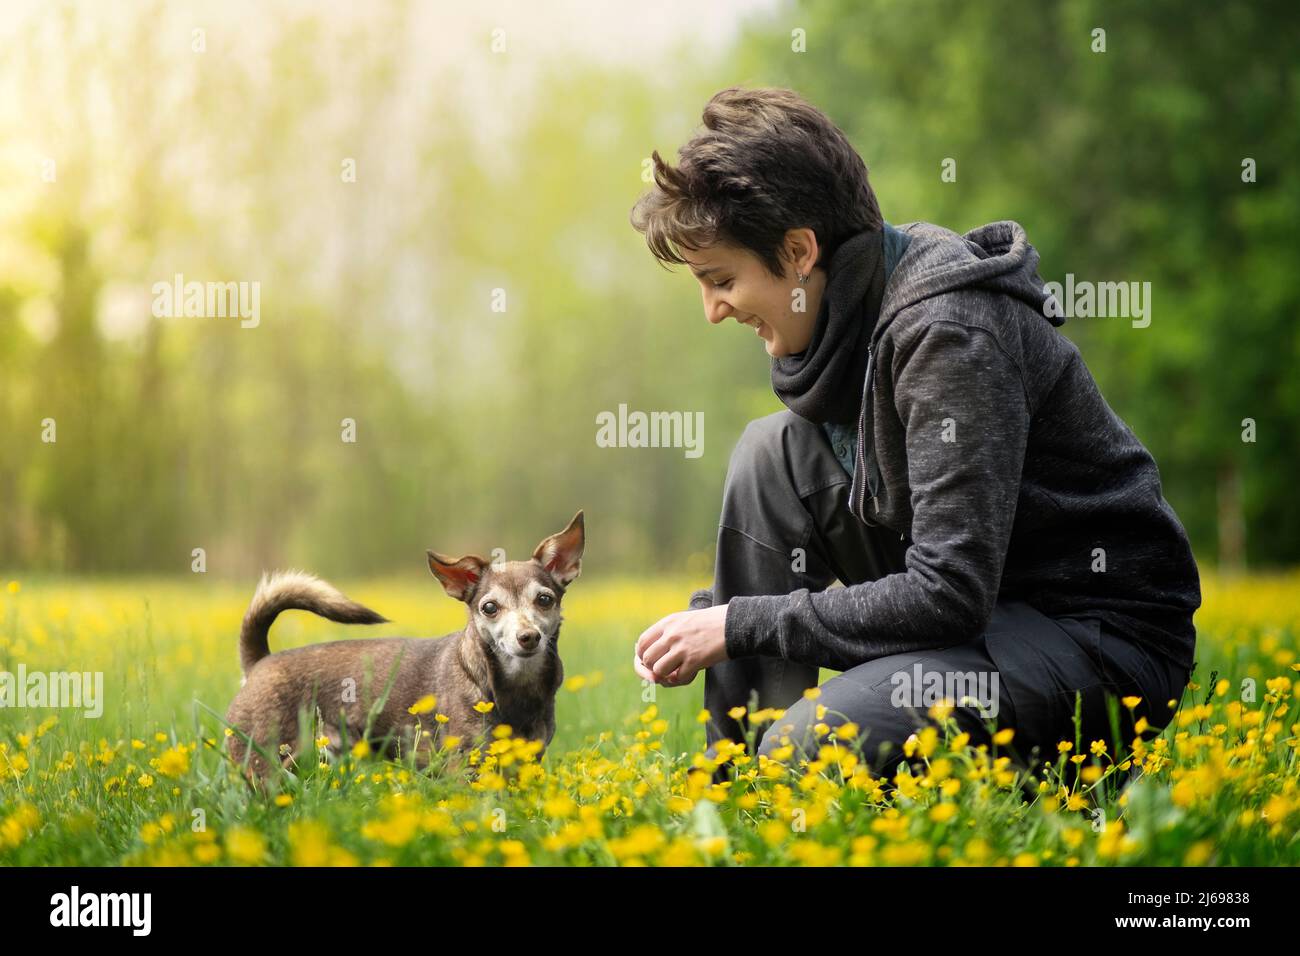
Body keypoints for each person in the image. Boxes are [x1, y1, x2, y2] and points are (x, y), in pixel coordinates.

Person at [627, 86, 1201, 786]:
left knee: (812, 746)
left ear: (801, 250)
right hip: (990, 614)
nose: (713, 310)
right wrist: (711, 620)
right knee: (769, 451)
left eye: (721, 279)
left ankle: (1051, 783)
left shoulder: (949, 330)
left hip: (1094, 638)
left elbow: (949, 592)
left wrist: (738, 624)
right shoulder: (860, 309)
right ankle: (737, 784)